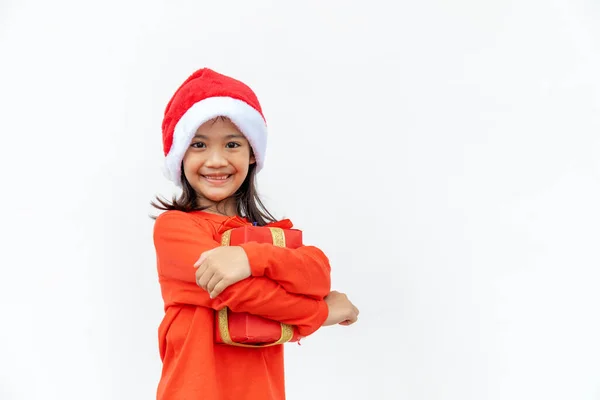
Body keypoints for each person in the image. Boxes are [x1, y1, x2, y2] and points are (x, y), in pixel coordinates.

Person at [151, 67, 359, 400]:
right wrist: (322, 313)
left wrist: (249, 256)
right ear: (180, 156)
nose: (216, 160)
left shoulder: (272, 236)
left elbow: (317, 275)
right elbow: (241, 294)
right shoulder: (175, 228)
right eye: (199, 144)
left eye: (232, 144)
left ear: (252, 155)